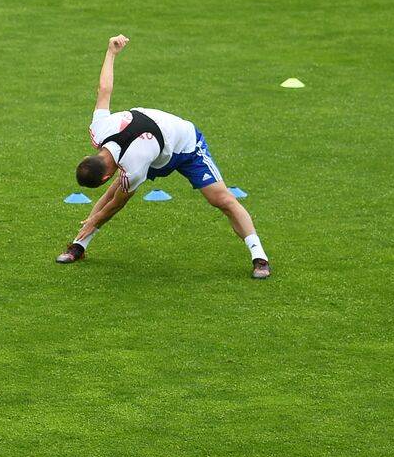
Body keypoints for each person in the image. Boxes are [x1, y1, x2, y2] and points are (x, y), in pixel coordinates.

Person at [57, 35, 271, 280]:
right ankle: (79, 246)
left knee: (222, 199)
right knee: (116, 190)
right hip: (150, 150)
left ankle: (259, 257)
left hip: (185, 146)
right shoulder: (99, 129)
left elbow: (116, 204)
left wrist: (93, 219)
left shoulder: (133, 167)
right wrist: (111, 52)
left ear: (106, 175)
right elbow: (104, 89)